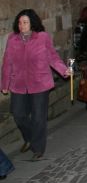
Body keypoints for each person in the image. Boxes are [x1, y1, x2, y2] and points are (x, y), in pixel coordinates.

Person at [1, 10, 71, 160]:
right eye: (19, 23)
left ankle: (37, 149)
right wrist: (4, 83)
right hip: (19, 83)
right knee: (19, 115)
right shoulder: (12, 39)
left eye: (25, 22)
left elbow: (52, 57)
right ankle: (30, 137)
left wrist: (64, 70)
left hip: (39, 83)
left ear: (32, 23)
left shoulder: (42, 37)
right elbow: (7, 63)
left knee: (39, 117)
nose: (22, 26)